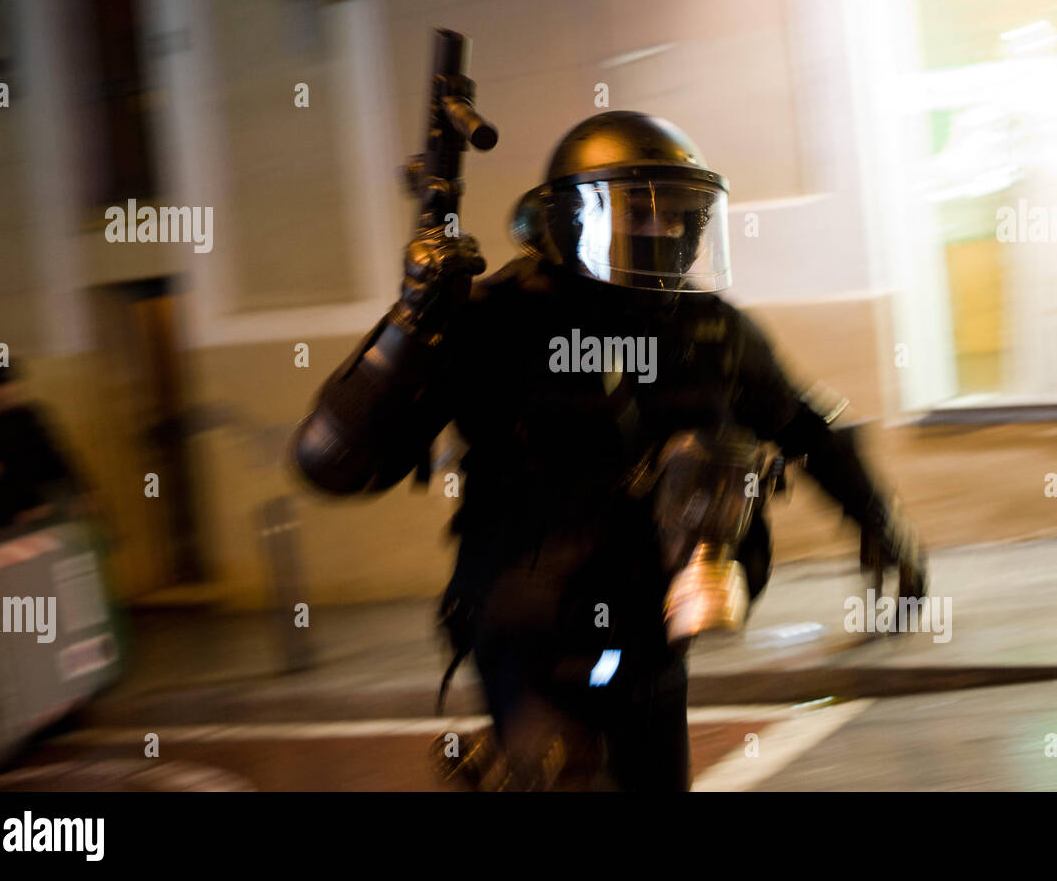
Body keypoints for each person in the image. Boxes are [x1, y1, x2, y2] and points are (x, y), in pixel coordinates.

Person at [292, 111, 926, 790]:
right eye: (641, 214)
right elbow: (334, 461)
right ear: (569, 220)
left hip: (654, 630)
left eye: (683, 215)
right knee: (569, 776)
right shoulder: (497, 320)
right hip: (532, 631)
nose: (667, 231)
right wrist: (410, 328)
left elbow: (808, 428)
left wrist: (877, 519)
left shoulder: (709, 331)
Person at [0, 361, 87, 531]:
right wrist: (14, 513)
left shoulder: (31, 416)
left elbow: (55, 457)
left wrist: (80, 493)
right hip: (6, 521)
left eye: (8, 385)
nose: (4, 392)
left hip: (46, 509)